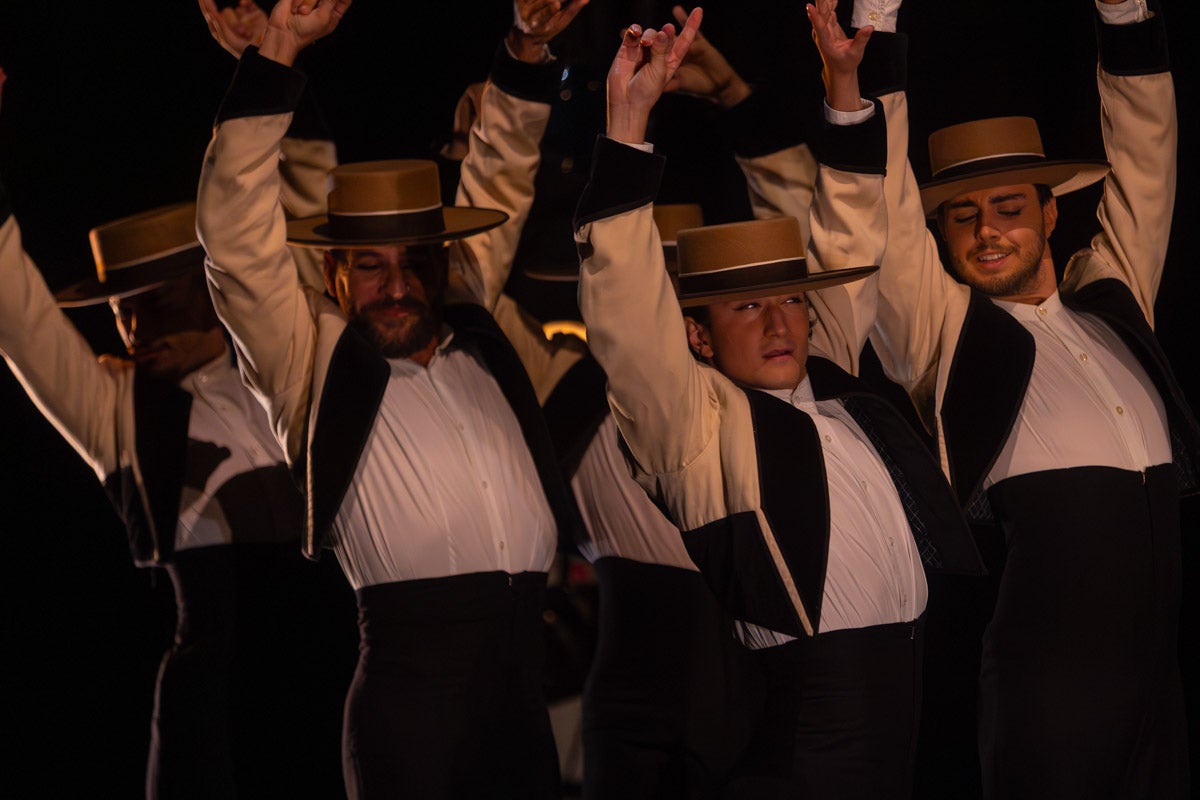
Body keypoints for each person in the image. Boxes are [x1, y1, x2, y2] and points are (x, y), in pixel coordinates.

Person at [574, 7, 981, 796]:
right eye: (747, 308)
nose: (779, 321)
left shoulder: (829, 385)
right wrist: (627, 125)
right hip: (809, 742)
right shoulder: (696, 431)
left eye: (791, 301)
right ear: (698, 337)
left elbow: (850, 233)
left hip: (906, 719)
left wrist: (845, 86)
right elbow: (624, 308)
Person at [196, 1, 583, 796]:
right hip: (416, 691)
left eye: (414, 260)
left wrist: (526, 48)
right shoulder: (311, 361)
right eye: (370, 266)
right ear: (332, 275)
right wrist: (273, 60)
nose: (398, 285)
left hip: (521, 683)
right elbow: (235, 234)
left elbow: (499, 175)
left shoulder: (470, 318)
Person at [825, 0, 1199, 796]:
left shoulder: (1110, 297)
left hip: (1158, 682)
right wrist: (881, 33)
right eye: (962, 217)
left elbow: (1145, 163)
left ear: (1051, 212)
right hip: (1052, 687)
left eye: (1007, 209)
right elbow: (889, 212)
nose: (987, 231)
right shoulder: (946, 331)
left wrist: (1127, 16)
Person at [0, 55, 354, 800]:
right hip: (211, 695)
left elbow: (302, 199)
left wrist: (277, 63)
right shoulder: (120, 410)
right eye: (121, 310)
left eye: (156, 299)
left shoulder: (290, 360)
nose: (135, 327)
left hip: (331, 669)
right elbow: (16, 316)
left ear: (207, 287)